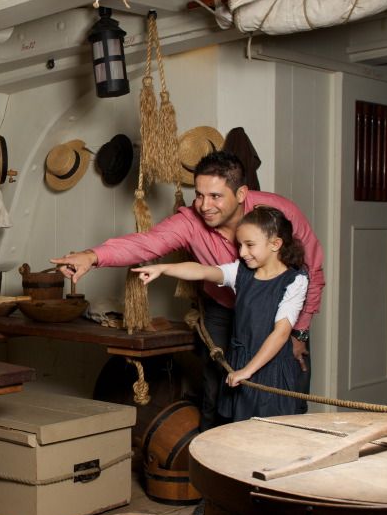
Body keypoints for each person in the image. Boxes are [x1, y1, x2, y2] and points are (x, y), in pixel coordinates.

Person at [51, 151, 325, 437]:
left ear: (242, 193)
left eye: (216, 196)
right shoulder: (190, 221)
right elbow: (147, 244)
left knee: (289, 398)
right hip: (223, 311)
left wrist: (300, 332)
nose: (205, 206)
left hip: (281, 317)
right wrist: (92, 256)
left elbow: (312, 270)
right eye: (200, 195)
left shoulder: (280, 214)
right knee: (217, 396)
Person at [132, 205, 309, 423]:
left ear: (276, 244)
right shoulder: (241, 272)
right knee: (236, 434)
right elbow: (203, 271)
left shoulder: (295, 280)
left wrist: (247, 371)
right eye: (240, 245)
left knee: (269, 438)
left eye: (249, 245)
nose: (242, 252)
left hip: (270, 372)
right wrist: (163, 269)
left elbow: (281, 333)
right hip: (238, 365)